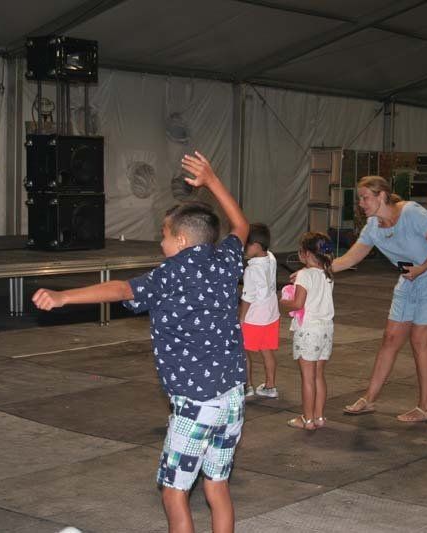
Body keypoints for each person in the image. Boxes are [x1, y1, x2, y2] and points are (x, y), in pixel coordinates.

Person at [32, 152, 248, 533]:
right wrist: (213, 180)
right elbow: (242, 225)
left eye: (163, 235)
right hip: (232, 397)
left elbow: (120, 288)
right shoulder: (226, 261)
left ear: (180, 240)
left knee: (173, 491)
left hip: (196, 403)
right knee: (217, 486)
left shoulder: (170, 274)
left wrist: (65, 296)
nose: (160, 242)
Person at [331, 175, 427, 422]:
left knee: (419, 339)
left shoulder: (412, 213)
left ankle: (426, 407)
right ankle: (369, 399)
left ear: (381, 196)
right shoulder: (372, 226)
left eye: (365, 198)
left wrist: (421, 269)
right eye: (360, 198)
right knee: (390, 337)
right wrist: (318, 268)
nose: (360, 203)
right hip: (410, 278)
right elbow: (350, 259)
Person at [280, 232, 335, 430]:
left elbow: (297, 303)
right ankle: (319, 416)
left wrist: (283, 301)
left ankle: (307, 419)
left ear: (305, 254)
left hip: (309, 330)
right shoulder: (327, 275)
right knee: (319, 375)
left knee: (307, 377)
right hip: (326, 329)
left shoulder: (304, 275)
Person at [240, 223, 280, 399]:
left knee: (243, 352)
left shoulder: (251, 269)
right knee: (267, 350)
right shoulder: (271, 258)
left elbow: (248, 297)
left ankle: (247, 386)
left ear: (256, 245)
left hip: (254, 317)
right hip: (271, 315)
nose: (244, 249)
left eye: (246, 245)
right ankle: (270, 386)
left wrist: (241, 318)